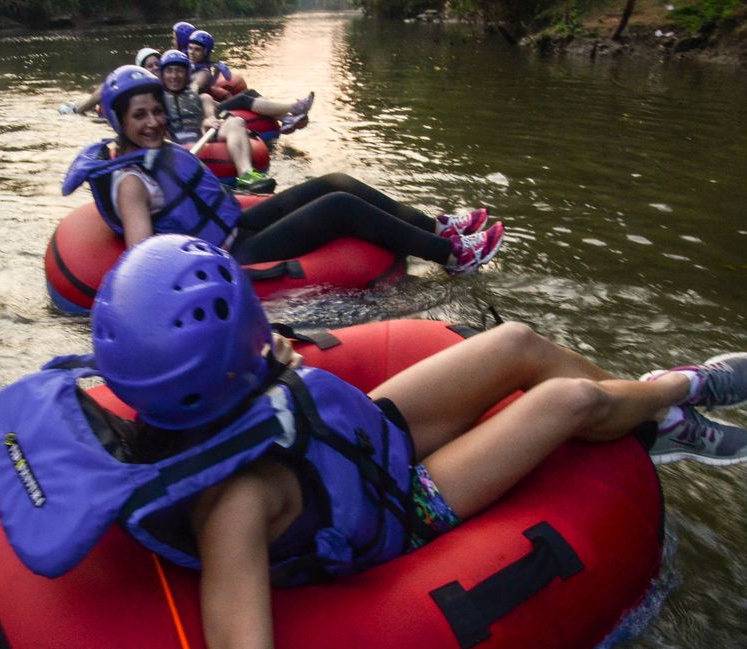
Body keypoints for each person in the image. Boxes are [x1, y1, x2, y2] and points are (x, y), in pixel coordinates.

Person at [87, 234, 747, 649]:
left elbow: (287, 411)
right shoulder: (232, 502)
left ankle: (651, 423)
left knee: (515, 341)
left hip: (358, 437)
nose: (273, 335)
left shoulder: (194, 397)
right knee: (567, 400)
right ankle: (678, 392)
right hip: (406, 503)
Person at [61, 64, 505, 275]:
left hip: (234, 226)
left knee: (334, 182)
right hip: (227, 256)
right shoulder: (131, 182)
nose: (154, 122)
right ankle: (452, 256)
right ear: (118, 120)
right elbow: (143, 259)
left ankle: (440, 227)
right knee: (337, 207)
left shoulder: (151, 154)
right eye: (140, 116)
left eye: (156, 111)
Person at [158, 49, 275, 192]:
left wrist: (207, 121)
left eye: (179, 71)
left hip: (201, 139)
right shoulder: (156, 101)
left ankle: (246, 174)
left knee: (236, 122)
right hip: (175, 146)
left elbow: (210, 116)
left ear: (186, 73)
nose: (174, 76)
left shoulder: (201, 98)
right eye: (169, 71)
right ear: (162, 74)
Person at [185, 29, 314, 134]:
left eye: (197, 49)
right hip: (205, 110)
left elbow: (192, 94)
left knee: (249, 94)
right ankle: (291, 111)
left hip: (208, 108)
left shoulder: (202, 72)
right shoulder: (199, 70)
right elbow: (191, 97)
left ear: (205, 52)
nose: (192, 52)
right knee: (244, 98)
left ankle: (288, 116)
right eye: (190, 48)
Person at [63, 47, 162, 117]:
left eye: (157, 64)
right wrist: (80, 110)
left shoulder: (167, 83)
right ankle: (78, 109)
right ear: (142, 70)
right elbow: (103, 91)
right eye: (150, 66)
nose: (155, 68)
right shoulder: (134, 85)